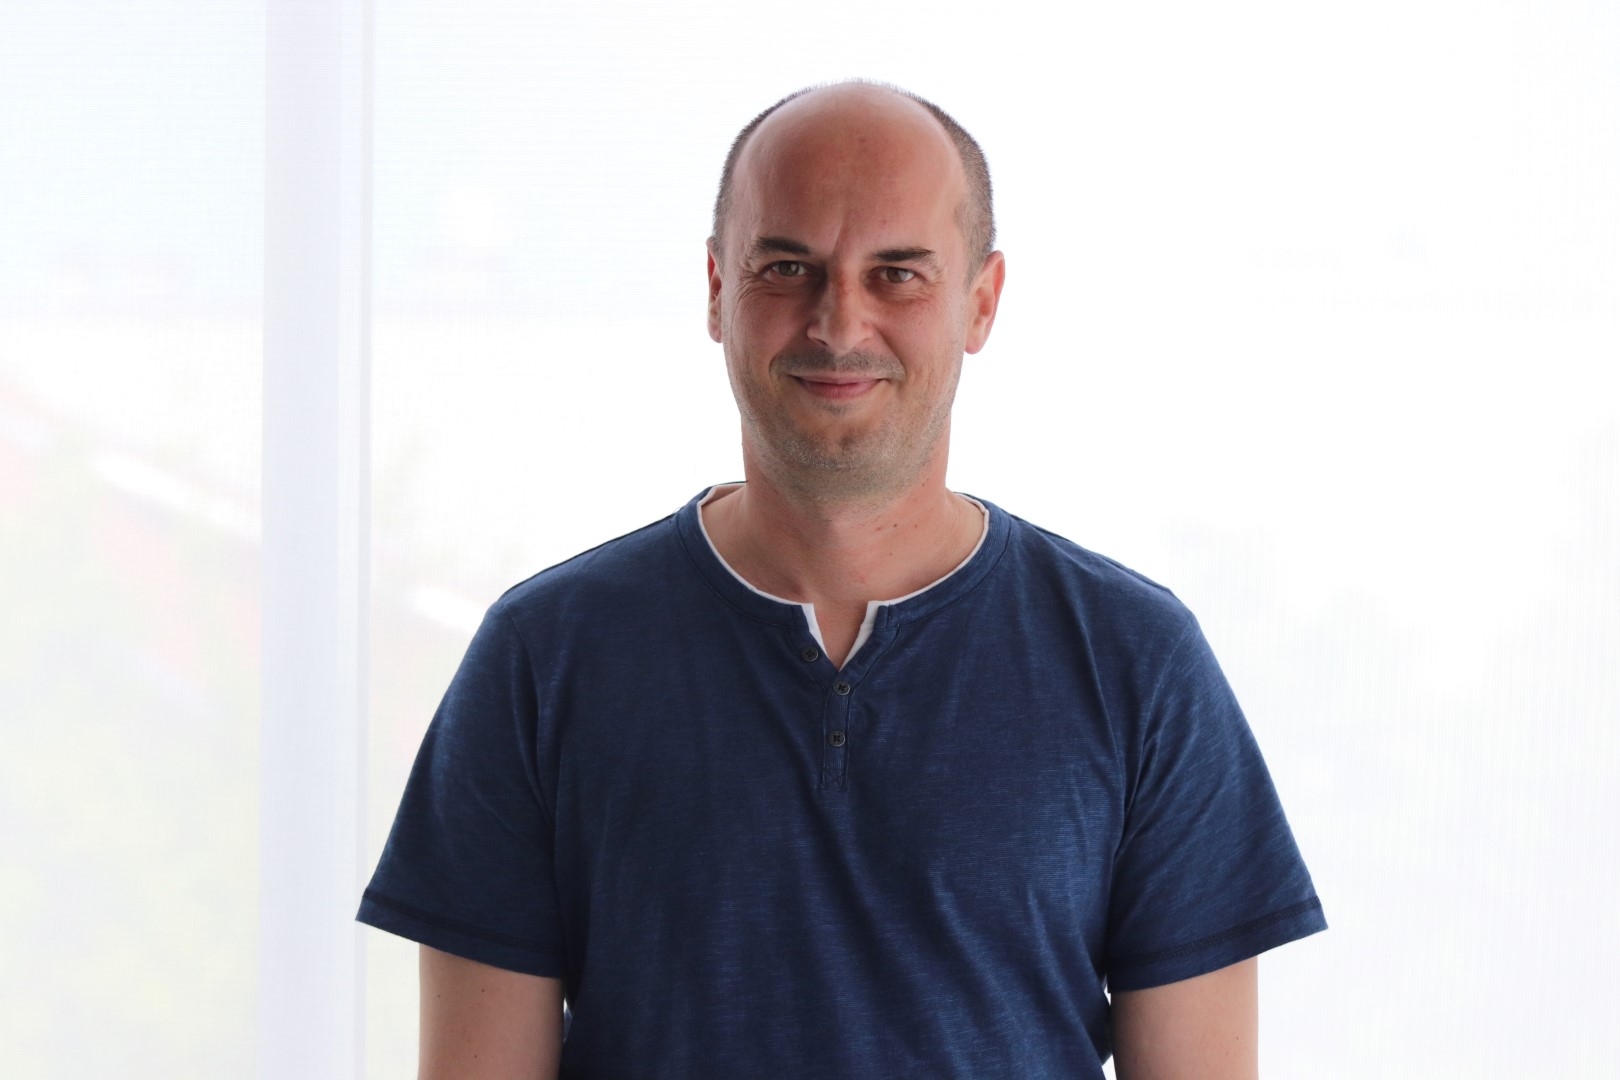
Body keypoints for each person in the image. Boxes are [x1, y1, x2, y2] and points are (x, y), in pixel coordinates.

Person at [358, 80, 1326, 1079]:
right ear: (717, 289)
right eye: (788, 268)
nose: (839, 322)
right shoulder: (546, 656)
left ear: (981, 301)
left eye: (897, 274)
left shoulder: (1136, 663)